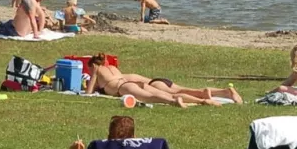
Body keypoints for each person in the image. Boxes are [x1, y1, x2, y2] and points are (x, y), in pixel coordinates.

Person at [86, 53, 241, 107]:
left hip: (125, 87)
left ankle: (197, 101)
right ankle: (208, 96)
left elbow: (88, 93)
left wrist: (93, 74)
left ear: (94, 65)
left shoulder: (98, 71)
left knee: (155, 97)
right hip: (143, 83)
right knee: (176, 92)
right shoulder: (115, 70)